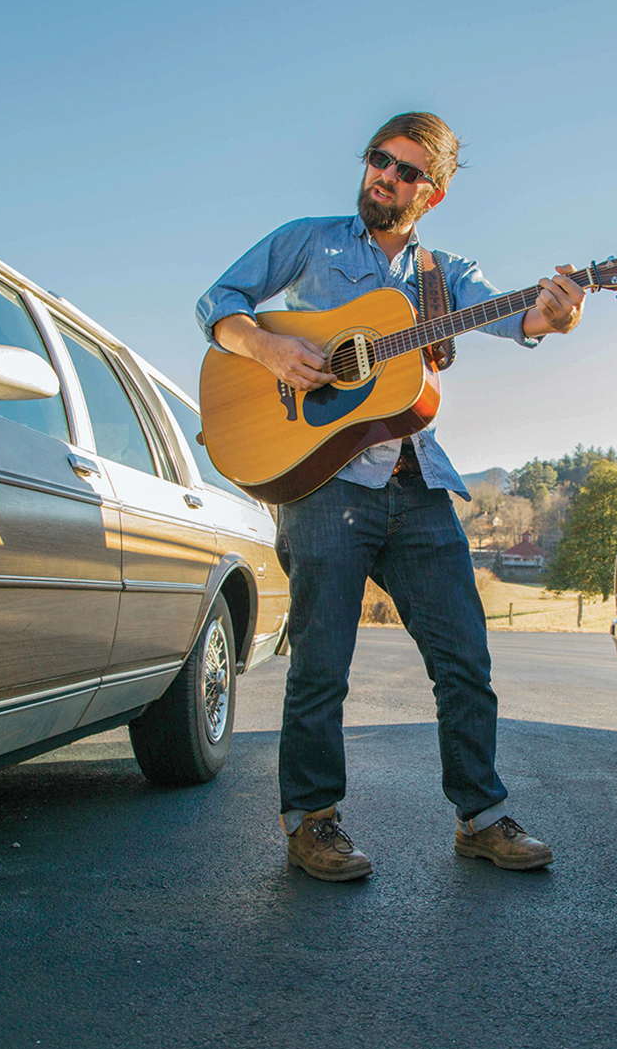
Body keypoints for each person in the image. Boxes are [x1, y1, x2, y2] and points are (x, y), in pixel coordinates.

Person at [196, 112, 586, 882]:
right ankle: (313, 821)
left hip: (416, 485)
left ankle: (479, 818)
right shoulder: (310, 241)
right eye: (380, 160)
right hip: (323, 481)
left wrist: (555, 312)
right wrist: (271, 346)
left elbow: (521, 314)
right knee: (321, 666)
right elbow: (219, 302)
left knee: (465, 660)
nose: (385, 176)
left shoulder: (445, 275)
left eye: (407, 172)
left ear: (430, 195)